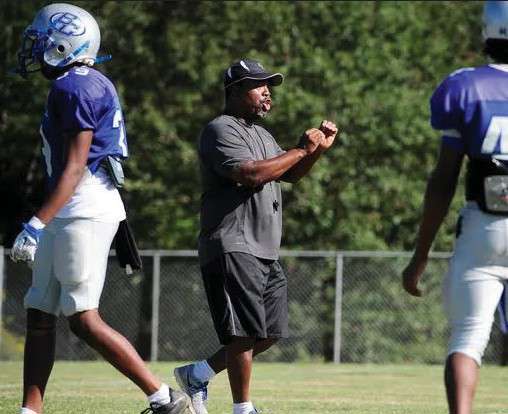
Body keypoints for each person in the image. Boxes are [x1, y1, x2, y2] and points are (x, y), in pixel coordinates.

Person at [10, 4, 189, 414]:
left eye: (40, 41)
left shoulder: (76, 86)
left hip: (84, 205)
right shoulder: (72, 83)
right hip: (69, 204)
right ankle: (30, 410)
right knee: (39, 310)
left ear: (62, 46)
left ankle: (164, 398)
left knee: (81, 316)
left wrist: (37, 223)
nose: (33, 49)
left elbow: (76, 166)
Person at [174, 59, 338, 414]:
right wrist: (300, 149)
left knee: (270, 331)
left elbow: (288, 174)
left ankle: (197, 374)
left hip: (264, 247)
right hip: (233, 242)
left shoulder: (262, 134)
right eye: (257, 85)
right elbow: (250, 174)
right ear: (234, 91)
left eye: (268, 86)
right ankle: (243, 408)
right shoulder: (220, 130)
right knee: (243, 332)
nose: (266, 92)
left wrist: (315, 153)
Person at [402, 2, 508, 413]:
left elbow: (444, 180)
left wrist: (420, 255)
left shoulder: (465, 86)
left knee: (469, 335)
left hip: (486, 225)